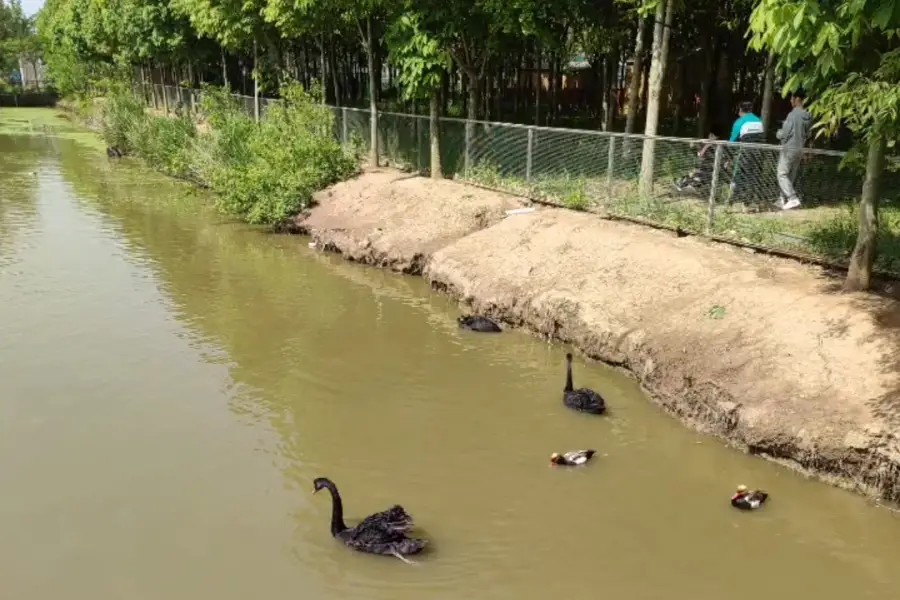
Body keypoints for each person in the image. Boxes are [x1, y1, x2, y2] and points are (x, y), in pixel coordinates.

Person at [775, 90, 813, 210]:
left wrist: (778, 133)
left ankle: (792, 198)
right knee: (790, 174)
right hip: (800, 148)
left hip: (789, 148)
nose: (790, 101)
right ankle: (782, 199)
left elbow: (785, 133)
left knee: (781, 173)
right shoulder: (809, 115)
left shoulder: (792, 115)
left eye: (792, 99)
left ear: (797, 100)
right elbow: (809, 133)